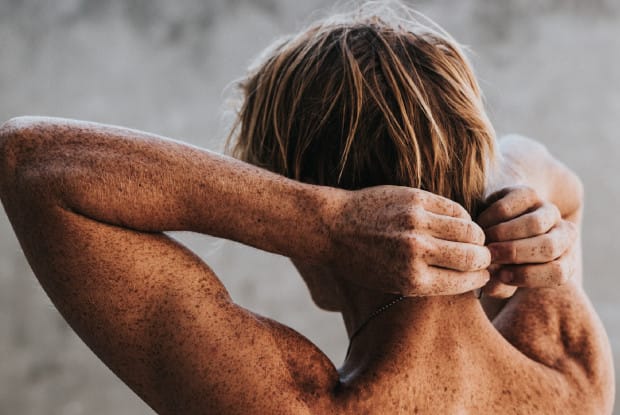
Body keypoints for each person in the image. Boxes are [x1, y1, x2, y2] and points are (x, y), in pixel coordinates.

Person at [0, 3, 613, 414]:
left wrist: (322, 222)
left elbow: (30, 161)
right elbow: (552, 174)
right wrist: (502, 188)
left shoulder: (283, 403)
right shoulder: (571, 374)